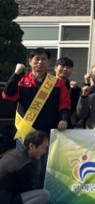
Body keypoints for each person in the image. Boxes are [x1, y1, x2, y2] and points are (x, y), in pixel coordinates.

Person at [2, 47, 70, 186]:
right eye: (36, 59)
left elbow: (65, 104)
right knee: (23, 167)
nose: (40, 62)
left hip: (47, 133)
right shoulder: (22, 80)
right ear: (30, 61)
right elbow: (8, 96)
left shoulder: (57, 83)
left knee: (44, 169)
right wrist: (16, 74)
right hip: (25, 133)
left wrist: (64, 119)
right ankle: (24, 197)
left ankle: (41, 198)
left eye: (44, 59)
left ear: (49, 62)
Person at [0, 130, 51, 204]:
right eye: (43, 147)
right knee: (45, 194)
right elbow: (26, 189)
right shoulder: (25, 165)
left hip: (5, 197)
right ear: (31, 146)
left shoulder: (15, 154)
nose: (44, 151)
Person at [54, 57, 82, 128]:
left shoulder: (75, 89)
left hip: (66, 124)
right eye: (62, 66)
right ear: (55, 68)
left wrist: (73, 91)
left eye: (68, 67)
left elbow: (75, 108)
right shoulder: (46, 84)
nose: (65, 69)